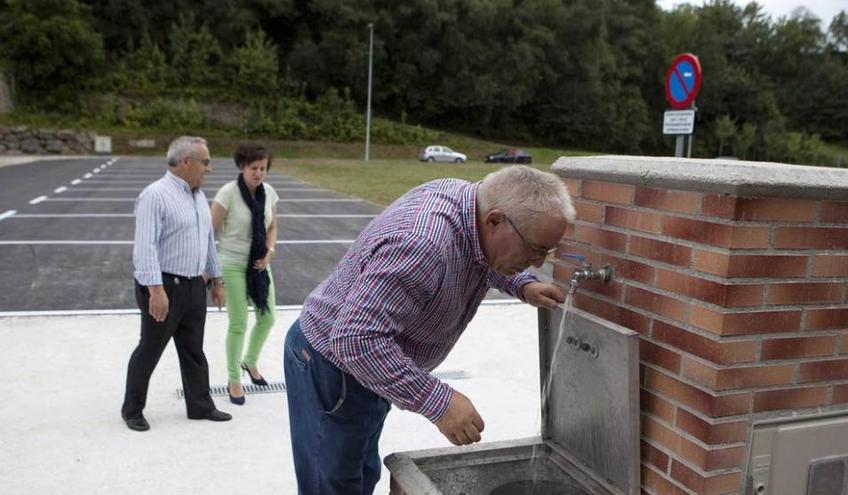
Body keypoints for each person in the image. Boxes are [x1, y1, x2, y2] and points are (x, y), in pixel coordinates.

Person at [283, 165, 575, 493]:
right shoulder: (423, 245)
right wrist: (437, 400)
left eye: (545, 253)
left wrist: (522, 284)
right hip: (332, 364)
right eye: (534, 250)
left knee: (358, 471)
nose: (538, 263)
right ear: (496, 220)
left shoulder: (472, 206)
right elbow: (355, 340)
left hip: (371, 363)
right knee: (333, 483)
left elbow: (481, 253)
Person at [121, 136, 232, 431]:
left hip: (194, 285)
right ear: (186, 162)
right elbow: (145, 248)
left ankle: (200, 406)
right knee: (150, 348)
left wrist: (217, 281)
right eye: (205, 162)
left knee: (194, 350)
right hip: (164, 287)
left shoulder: (197, 196)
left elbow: (208, 242)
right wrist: (155, 291)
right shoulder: (155, 195)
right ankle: (132, 409)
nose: (209, 169)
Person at [210, 144, 279, 405]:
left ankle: (249, 362)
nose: (258, 173)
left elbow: (272, 226)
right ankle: (233, 379)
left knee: (268, 318)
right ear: (243, 167)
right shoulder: (227, 194)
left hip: (260, 265)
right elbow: (209, 232)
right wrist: (212, 274)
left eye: (263, 168)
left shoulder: (269, 193)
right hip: (232, 264)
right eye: (254, 168)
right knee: (238, 323)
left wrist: (270, 250)